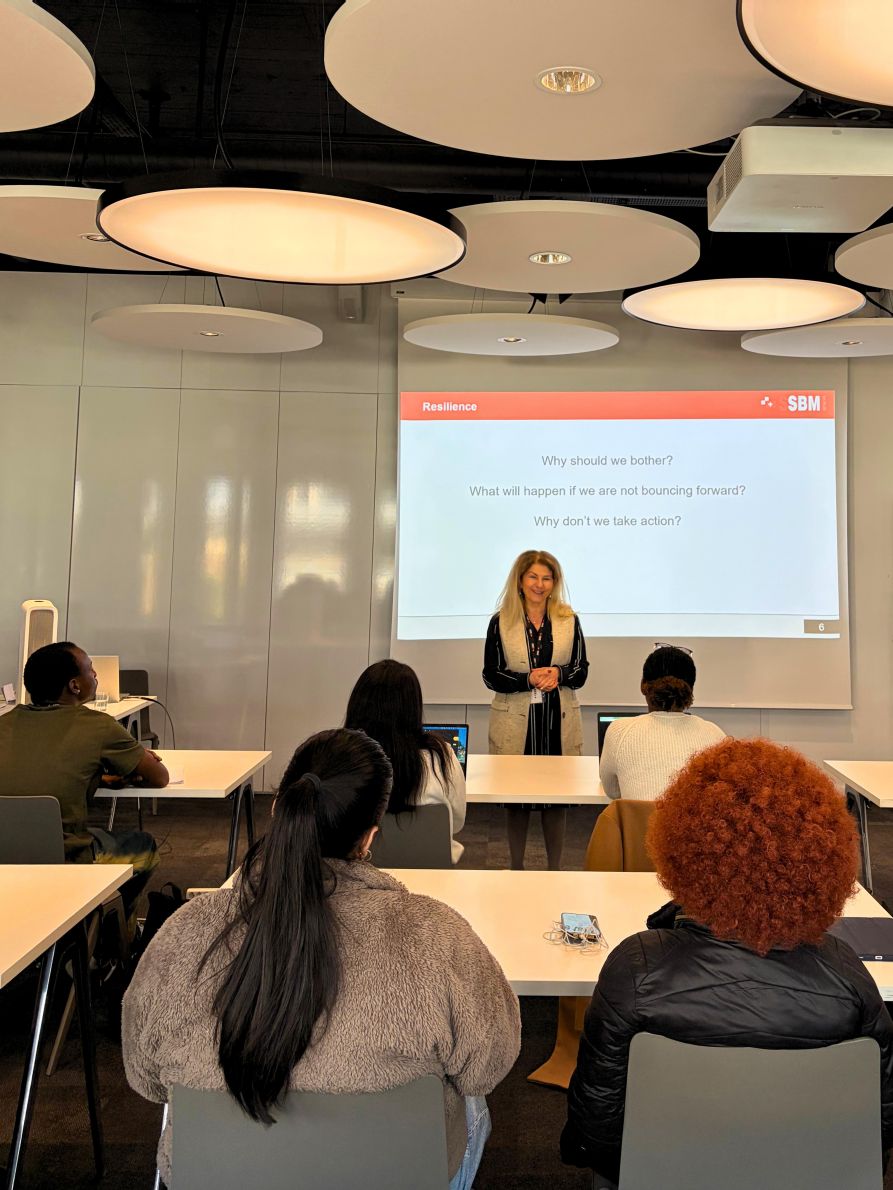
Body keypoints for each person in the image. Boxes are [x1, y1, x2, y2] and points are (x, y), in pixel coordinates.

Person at [122, 728, 520, 1190]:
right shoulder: (437, 934)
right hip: (392, 1175)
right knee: (472, 1101)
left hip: (223, 1176)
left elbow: (145, 1078)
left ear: (278, 809)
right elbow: (487, 1066)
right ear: (369, 839)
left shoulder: (186, 932)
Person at [561, 738, 893, 1185]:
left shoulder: (637, 970)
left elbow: (593, 1134)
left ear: (684, 848)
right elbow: (879, 1125)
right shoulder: (848, 979)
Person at [0, 641, 168, 915]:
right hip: (67, 857)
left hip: (5, 856)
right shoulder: (98, 726)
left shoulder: (4, 724)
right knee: (144, 846)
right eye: (91, 669)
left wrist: (97, 778)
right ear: (74, 685)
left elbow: (39, 770)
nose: (96, 675)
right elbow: (160, 777)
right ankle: (110, 931)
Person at [483, 549, 588, 869]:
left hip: (557, 720)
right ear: (520, 580)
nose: (539, 585)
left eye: (546, 578)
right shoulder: (500, 621)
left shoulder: (569, 620)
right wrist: (526, 679)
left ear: (555, 582)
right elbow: (490, 675)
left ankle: (555, 868)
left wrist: (559, 674)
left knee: (557, 800)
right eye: (533, 577)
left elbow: (581, 670)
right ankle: (516, 866)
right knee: (517, 800)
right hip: (517, 723)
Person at [345, 658, 467, 862]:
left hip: (360, 870)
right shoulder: (440, 757)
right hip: (432, 871)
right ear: (413, 708)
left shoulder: (340, 758)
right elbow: (456, 822)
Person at [599, 644, 725, 801]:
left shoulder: (618, 731)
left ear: (643, 685)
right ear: (691, 690)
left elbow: (612, 792)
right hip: (692, 818)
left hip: (640, 818)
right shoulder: (715, 734)